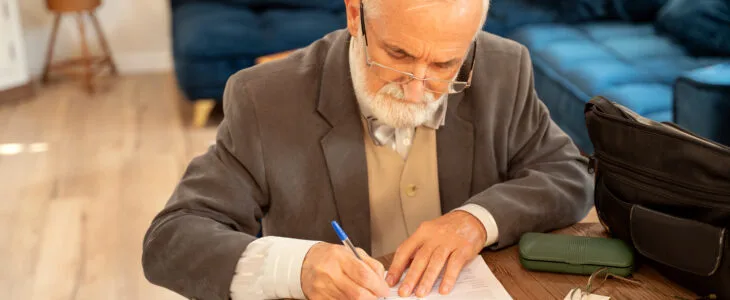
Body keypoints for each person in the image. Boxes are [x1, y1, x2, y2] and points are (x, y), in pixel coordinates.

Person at [141, 0, 594, 299]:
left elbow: (570, 174)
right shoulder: (265, 99)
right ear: (355, 13)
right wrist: (298, 265)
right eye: (397, 55)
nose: (418, 91)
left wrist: (475, 221)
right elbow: (171, 239)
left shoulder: (504, 68)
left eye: (444, 64)